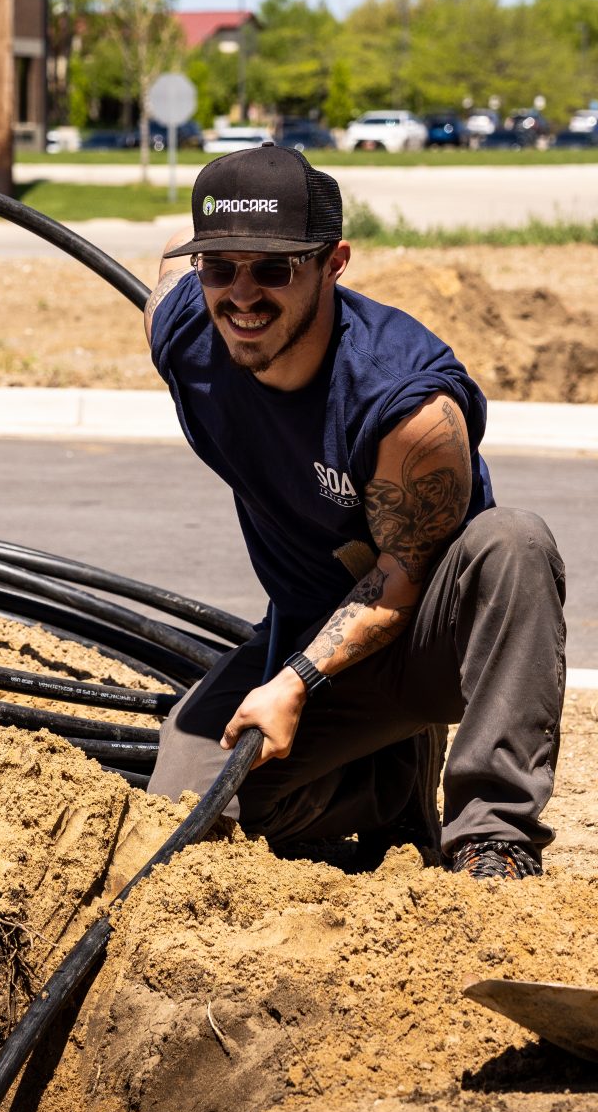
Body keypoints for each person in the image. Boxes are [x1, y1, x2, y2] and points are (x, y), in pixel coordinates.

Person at [144, 144, 565, 880]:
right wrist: (292, 671)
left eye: (273, 269)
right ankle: (386, 789)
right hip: (309, 624)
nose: (241, 296)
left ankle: (491, 839)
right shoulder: (185, 332)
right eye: (220, 266)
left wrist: (292, 684)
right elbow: (164, 279)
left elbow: (402, 580)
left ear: (334, 263)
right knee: (191, 820)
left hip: (435, 641)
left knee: (514, 541)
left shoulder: (408, 406)